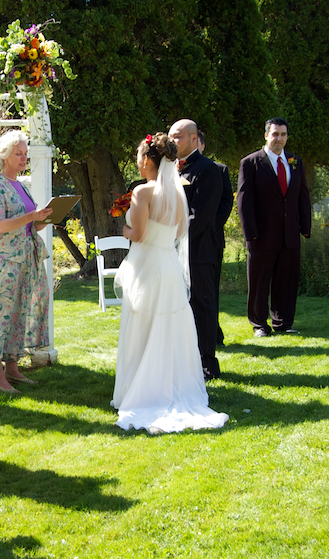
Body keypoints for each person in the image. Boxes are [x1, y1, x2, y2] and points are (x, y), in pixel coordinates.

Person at [111, 133, 228, 433]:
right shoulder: (178, 193)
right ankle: (173, 385)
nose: (137, 162)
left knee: (142, 325)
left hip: (147, 265)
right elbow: (178, 232)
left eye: (138, 156)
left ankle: (140, 389)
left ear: (148, 160)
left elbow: (136, 234)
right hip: (168, 266)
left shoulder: (142, 193)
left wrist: (123, 227)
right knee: (169, 326)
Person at [0, 130, 53, 394]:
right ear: (5, 156)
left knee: (19, 313)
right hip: (4, 262)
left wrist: (43, 218)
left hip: (24, 258)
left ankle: (12, 368)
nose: (24, 158)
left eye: (25, 153)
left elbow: (28, 225)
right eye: (18, 154)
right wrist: (32, 215)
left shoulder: (20, 185)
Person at [237, 118, 312, 336]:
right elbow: (244, 200)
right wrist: (250, 233)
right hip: (261, 235)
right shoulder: (251, 163)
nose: (279, 138)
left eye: (283, 134)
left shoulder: (294, 161)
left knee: (286, 281)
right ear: (266, 136)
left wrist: (305, 227)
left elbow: (302, 196)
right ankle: (259, 325)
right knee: (260, 283)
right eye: (275, 134)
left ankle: (283, 323)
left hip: (289, 235)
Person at [169, 119, 223, 379]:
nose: (173, 141)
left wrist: (173, 234)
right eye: (171, 136)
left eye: (177, 137)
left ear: (193, 139)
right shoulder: (170, 168)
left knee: (202, 305)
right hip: (173, 250)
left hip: (199, 251)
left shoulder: (207, 169)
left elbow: (201, 215)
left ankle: (207, 362)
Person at [197, 130, 234, 347]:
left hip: (211, 238)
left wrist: (211, 224)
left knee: (209, 290)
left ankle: (214, 333)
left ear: (201, 144)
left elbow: (225, 203)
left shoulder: (218, 170)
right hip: (191, 237)